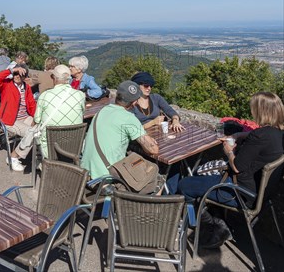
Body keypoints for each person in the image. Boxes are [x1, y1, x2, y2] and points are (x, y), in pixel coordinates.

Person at [178, 92, 284, 248]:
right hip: (263, 195)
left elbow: (237, 166)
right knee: (202, 181)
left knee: (185, 185)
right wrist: (240, 135)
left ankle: (209, 225)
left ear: (261, 111)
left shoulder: (259, 136)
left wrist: (228, 150)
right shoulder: (278, 134)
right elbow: (258, 139)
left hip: (240, 193)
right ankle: (219, 223)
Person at [81, 80, 159, 179]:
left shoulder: (102, 111)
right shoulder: (128, 118)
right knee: (155, 172)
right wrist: (150, 141)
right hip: (106, 177)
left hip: (84, 173)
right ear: (134, 102)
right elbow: (153, 150)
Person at [16, 64, 85, 161]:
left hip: (50, 148)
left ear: (54, 78)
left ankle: (32, 159)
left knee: (35, 129)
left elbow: (37, 120)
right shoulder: (80, 95)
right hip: (74, 146)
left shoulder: (45, 95)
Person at [0, 64, 36, 171]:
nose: (17, 76)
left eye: (20, 74)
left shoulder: (26, 87)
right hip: (9, 120)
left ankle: (38, 159)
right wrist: (12, 70)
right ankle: (13, 157)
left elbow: (31, 104)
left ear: (25, 77)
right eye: (15, 74)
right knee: (32, 133)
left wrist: (36, 118)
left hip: (25, 117)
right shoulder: (6, 85)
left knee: (41, 129)